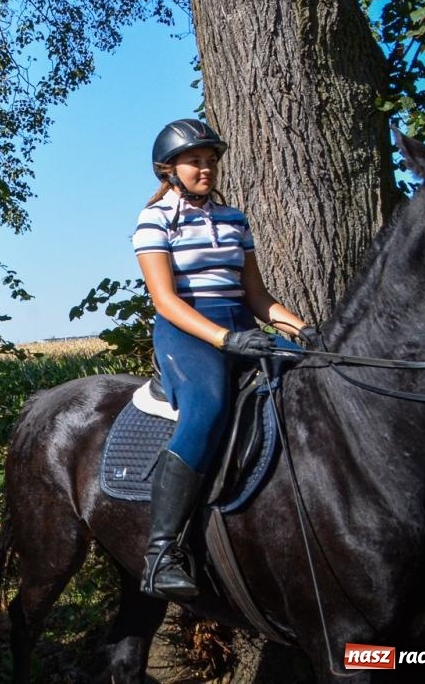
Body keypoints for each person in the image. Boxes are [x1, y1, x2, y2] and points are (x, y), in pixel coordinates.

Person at [133, 119, 307, 599]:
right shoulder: (155, 220)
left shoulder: (234, 219)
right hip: (187, 331)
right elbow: (165, 300)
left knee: (312, 375)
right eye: (195, 162)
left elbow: (258, 296)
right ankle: (161, 552)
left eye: (211, 161)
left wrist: (301, 329)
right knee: (207, 408)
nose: (206, 168)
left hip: (240, 325)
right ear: (169, 170)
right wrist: (224, 340)